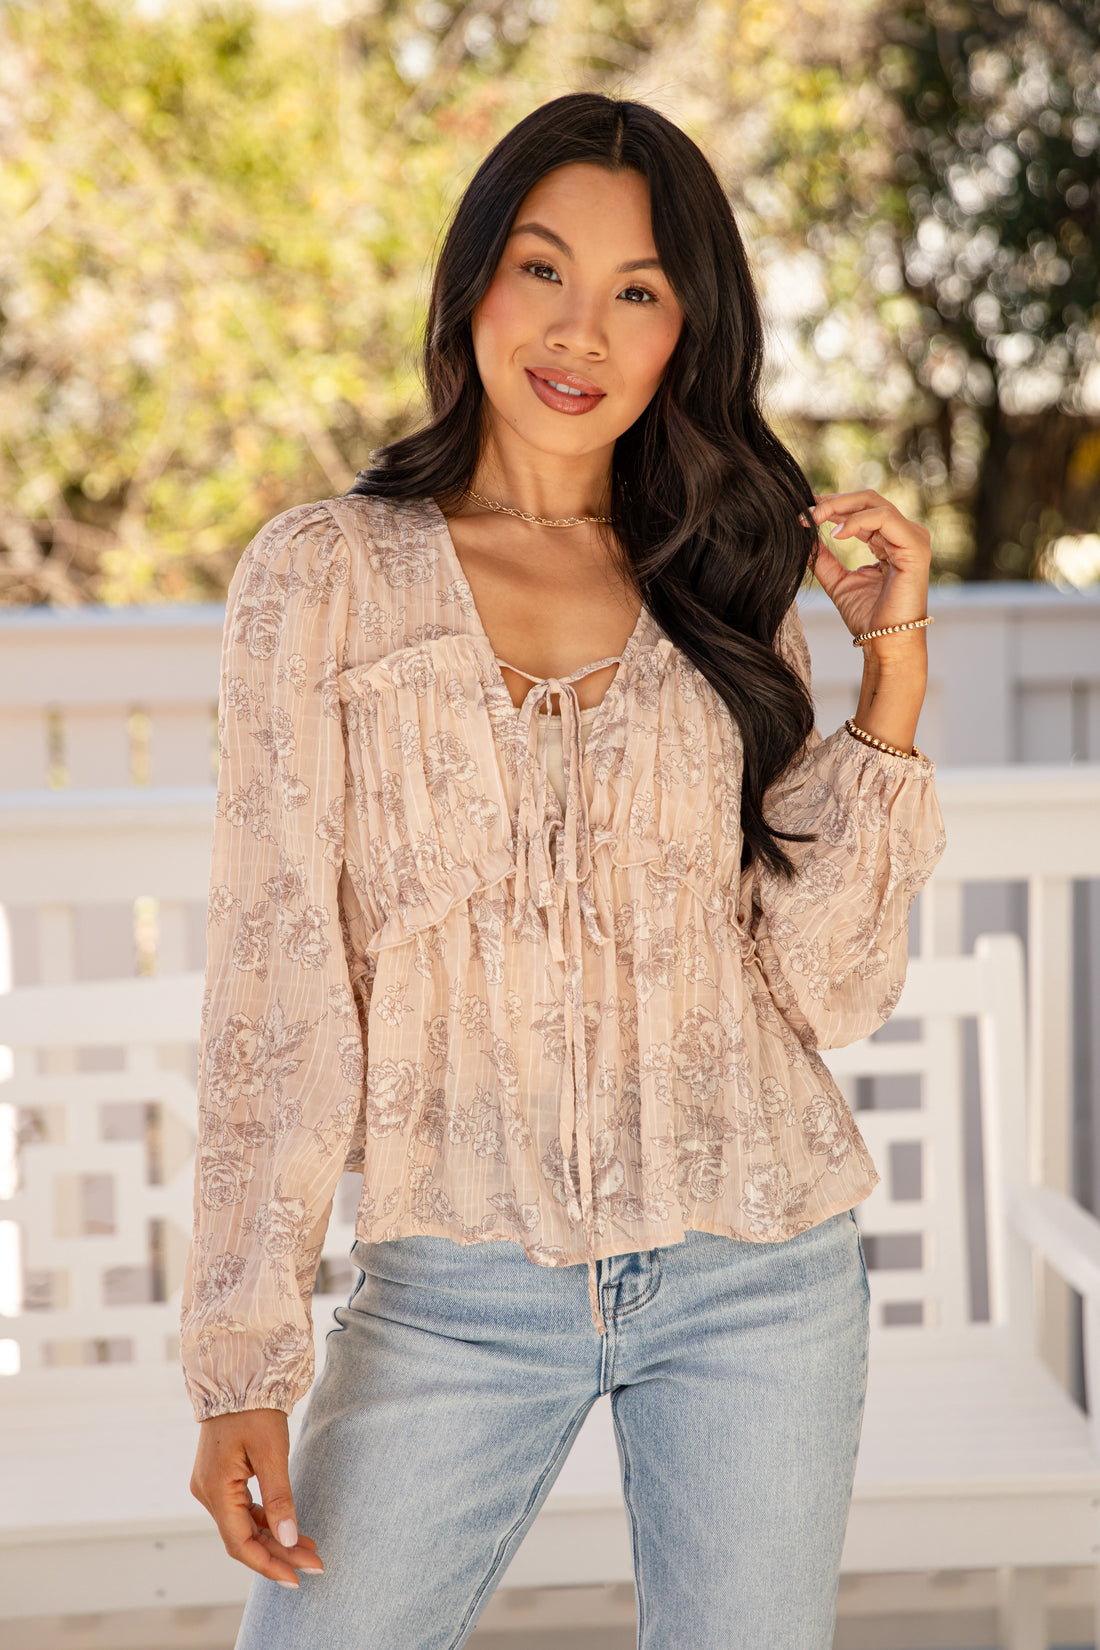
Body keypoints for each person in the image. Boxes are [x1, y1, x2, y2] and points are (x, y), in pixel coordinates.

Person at [183, 92, 945, 1650]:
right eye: (543, 267)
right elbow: (277, 975)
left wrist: (891, 685)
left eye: (637, 291)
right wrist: (243, 1356)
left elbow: (824, 987)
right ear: (474, 280)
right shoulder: (323, 577)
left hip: (757, 1268)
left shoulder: (723, 583)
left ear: (685, 335)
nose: (579, 329)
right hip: (451, 1288)